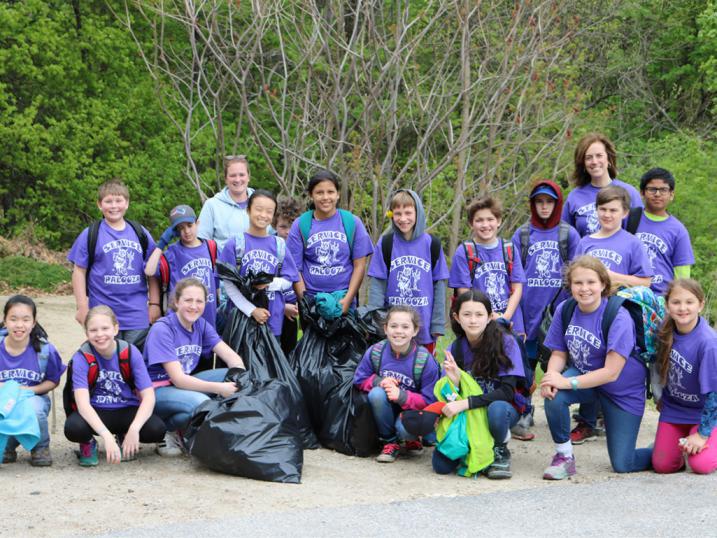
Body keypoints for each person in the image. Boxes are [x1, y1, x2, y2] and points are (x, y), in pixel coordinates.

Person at [540, 256, 652, 479]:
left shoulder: (618, 316)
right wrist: (552, 376)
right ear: (570, 286)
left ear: (603, 284)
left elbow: (611, 372)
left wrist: (566, 381)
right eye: (578, 283)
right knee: (554, 395)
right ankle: (564, 458)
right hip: (586, 377)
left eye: (591, 282)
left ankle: (666, 451)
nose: (584, 289)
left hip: (621, 390)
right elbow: (559, 352)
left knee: (623, 463)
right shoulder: (566, 309)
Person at [143, 278, 245, 457]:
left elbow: (231, 357)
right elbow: (178, 379)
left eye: (199, 301)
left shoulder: (201, 325)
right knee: (200, 403)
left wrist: (241, 377)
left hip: (180, 386)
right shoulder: (163, 329)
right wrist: (220, 389)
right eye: (188, 300)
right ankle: (167, 431)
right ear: (176, 302)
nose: (193, 306)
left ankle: (184, 429)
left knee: (232, 375)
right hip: (156, 390)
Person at [434, 290, 529, 479]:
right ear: (457, 317)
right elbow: (455, 394)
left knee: (497, 410)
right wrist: (454, 382)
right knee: (441, 466)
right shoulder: (457, 348)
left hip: (502, 409)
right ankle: (475, 446)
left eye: (479, 314)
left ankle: (500, 449)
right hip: (473, 413)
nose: (473, 320)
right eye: (467, 315)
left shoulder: (506, 343)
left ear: (490, 317)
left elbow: (507, 392)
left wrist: (465, 403)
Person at [511, 180, 580, 440]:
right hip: (529, 312)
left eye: (549, 202)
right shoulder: (522, 234)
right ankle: (525, 409)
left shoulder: (568, 235)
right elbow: (514, 277)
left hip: (557, 313)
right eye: (539, 201)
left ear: (557, 204)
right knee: (526, 366)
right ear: (532, 204)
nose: (544, 206)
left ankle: (557, 411)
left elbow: (577, 273)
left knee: (556, 364)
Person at [64, 306, 166, 466]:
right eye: (93, 330)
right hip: (96, 409)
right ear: (86, 333)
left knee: (157, 430)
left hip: (126, 409)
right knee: (73, 428)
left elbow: (149, 396)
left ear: (116, 328)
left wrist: (134, 428)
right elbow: (82, 405)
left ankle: (124, 435)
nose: (100, 335)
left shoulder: (130, 352)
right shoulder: (82, 357)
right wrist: (106, 436)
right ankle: (88, 443)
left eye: (105, 328)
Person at [68, 178, 160, 349]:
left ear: (127, 203)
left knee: (135, 362)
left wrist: (154, 304)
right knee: (107, 361)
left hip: (137, 314)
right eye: (108, 201)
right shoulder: (91, 234)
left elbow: (153, 271)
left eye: (119, 200)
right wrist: (82, 307)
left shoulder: (140, 232)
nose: (114, 206)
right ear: (99, 205)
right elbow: (79, 271)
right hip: (102, 314)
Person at [353, 305, 440, 463]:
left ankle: (412, 438)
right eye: (393, 326)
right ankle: (389, 442)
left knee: (404, 429)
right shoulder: (375, 351)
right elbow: (359, 379)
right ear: (385, 329)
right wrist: (379, 381)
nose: (399, 331)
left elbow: (431, 401)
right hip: (385, 409)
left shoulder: (424, 360)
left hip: (413, 411)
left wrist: (402, 396)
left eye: (405, 327)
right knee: (376, 394)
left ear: (415, 331)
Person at [367, 189, 449, 355]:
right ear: (392, 215)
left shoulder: (432, 244)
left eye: (408, 213)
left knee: (423, 371)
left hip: (423, 326)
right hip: (393, 328)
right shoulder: (386, 243)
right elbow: (377, 286)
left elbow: (439, 286)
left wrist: (437, 324)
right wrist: (375, 322)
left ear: (417, 212)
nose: (403, 219)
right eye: (398, 213)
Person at [652, 279, 717, 474]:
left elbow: (715, 394)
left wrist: (703, 434)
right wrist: (660, 397)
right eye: (676, 302)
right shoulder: (663, 333)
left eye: (689, 302)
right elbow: (655, 367)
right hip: (675, 410)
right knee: (663, 466)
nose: (682, 308)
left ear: (701, 304)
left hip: (705, 412)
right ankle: (671, 444)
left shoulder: (709, 343)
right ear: (667, 305)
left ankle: (709, 438)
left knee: (701, 465)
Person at [286, 169, 374, 314]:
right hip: (313, 300)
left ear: (338, 194)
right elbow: (295, 267)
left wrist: (347, 300)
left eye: (330, 192)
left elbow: (359, 266)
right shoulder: (301, 224)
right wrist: (306, 302)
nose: (325, 197)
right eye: (319, 192)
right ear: (311, 195)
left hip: (344, 298)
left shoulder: (352, 222)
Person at [218, 189, 299, 339]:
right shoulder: (235, 244)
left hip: (272, 322)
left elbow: (289, 280)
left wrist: (267, 284)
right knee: (239, 362)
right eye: (258, 209)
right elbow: (229, 285)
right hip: (240, 323)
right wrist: (252, 310)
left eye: (269, 211)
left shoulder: (279, 245)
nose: (263, 215)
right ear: (248, 210)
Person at [0, 295, 65, 467]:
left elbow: (53, 381)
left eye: (25, 319)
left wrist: (28, 391)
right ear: (5, 321)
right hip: (3, 399)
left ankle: (40, 447)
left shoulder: (44, 350)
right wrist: (9, 389)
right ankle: (7, 446)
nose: (19, 325)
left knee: (33, 409)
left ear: (34, 322)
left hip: (32, 397)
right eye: (13, 319)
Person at [448, 196, 526, 336]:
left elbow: (517, 287)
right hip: (478, 322)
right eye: (479, 220)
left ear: (499, 221)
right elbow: (464, 292)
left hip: (510, 321)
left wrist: (505, 317)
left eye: (490, 219)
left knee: (512, 356)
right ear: (471, 224)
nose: (485, 225)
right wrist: (488, 316)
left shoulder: (509, 249)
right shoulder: (465, 251)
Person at [145, 204, 220, 328]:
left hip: (208, 317)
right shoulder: (172, 253)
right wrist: (162, 243)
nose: (186, 231)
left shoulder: (211, 247)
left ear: (197, 223)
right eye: (180, 228)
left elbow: (216, 279)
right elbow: (149, 271)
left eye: (190, 225)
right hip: (180, 321)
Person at [562, 133, 642, 237]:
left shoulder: (629, 193)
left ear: (609, 159)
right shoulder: (574, 197)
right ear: (583, 163)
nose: (594, 161)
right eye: (588, 158)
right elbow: (565, 237)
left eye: (599, 156)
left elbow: (640, 235)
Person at [630, 168, 694, 295]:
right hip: (628, 294)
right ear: (642, 193)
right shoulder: (630, 219)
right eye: (652, 189)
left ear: (671, 194)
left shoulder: (678, 230)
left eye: (663, 190)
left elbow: (682, 275)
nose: (657, 194)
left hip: (661, 298)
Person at [576, 185, 653, 290]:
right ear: (596, 210)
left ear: (625, 213)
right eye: (603, 209)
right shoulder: (584, 243)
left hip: (620, 304)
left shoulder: (633, 243)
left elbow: (646, 282)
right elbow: (575, 279)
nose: (607, 215)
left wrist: (612, 277)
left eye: (613, 210)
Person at [197, 155, 256, 250]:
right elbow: (200, 243)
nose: (237, 179)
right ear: (225, 179)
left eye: (242, 175)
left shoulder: (261, 203)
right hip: (223, 263)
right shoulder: (212, 205)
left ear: (248, 177)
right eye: (233, 175)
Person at [275, 195, 303, 356]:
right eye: (283, 227)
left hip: (298, 307)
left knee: (293, 352)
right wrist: (282, 307)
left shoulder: (303, 246)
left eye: (292, 226)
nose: (287, 232)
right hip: (278, 309)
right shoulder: (272, 247)